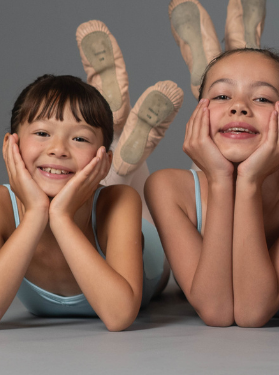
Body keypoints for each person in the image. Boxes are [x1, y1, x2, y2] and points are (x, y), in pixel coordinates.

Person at [145, 46, 279, 325]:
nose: (238, 106)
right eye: (222, 96)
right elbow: (216, 310)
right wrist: (219, 178)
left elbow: (253, 311)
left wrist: (249, 181)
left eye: (262, 98)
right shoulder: (166, 186)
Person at [1, 75, 160, 329]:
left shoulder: (121, 201)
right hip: (91, 188)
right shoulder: (3, 206)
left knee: (135, 190)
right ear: (11, 146)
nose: (58, 149)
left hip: (149, 250)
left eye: (80, 139)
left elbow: (119, 316)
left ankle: (120, 147)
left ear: (103, 160)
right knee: (114, 178)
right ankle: (120, 138)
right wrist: (35, 214)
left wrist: (61, 218)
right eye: (42, 133)